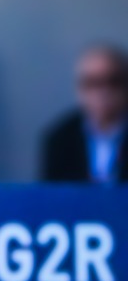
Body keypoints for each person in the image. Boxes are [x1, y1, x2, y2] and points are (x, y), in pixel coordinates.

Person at [40, 45, 128, 183]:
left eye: (113, 82)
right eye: (92, 83)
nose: (103, 92)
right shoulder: (59, 140)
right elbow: (50, 193)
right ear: (79, 89)